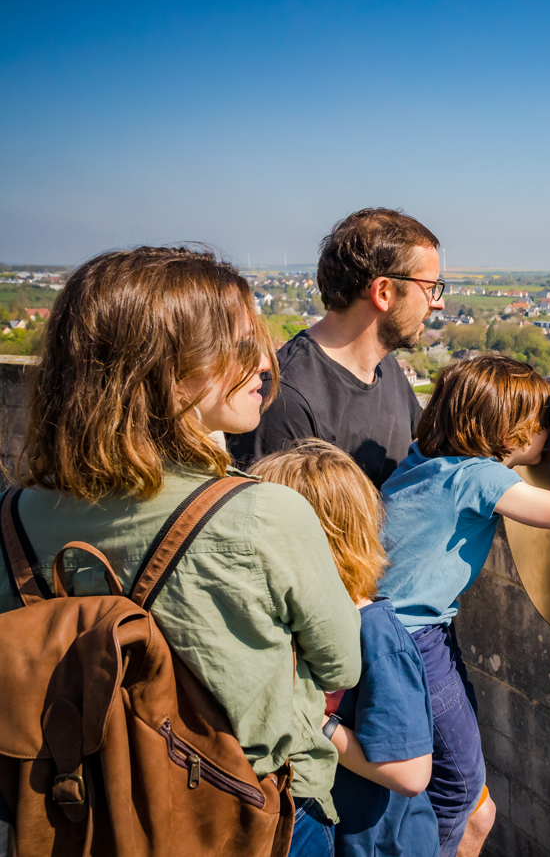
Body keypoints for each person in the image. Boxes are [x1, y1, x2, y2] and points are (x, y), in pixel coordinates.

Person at [0, 247, 361, 857]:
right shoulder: (264, 514)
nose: (265, 365)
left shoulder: (12, 514)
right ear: (162, 371)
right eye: (239, 348)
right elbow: (342, 665)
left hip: (78, 813)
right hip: (235, 812)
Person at [379, 357, 550, 856]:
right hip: (411, 642)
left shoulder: (422, 458)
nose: (540, 435)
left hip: (386, 629)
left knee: (454, 785)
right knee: (460, 789)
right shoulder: (477, 478)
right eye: (536, 426)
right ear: (508, 435)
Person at [253, 440, 438, 857]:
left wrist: (316, 723)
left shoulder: (378, 637)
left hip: (380, 844)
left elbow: (410, 774)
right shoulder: (296, 619)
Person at [228, 208, 445, 486]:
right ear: (383, 292)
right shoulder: (285, 399)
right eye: (430, 287)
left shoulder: (385, 365)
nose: (437, 303)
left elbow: (424, 453)